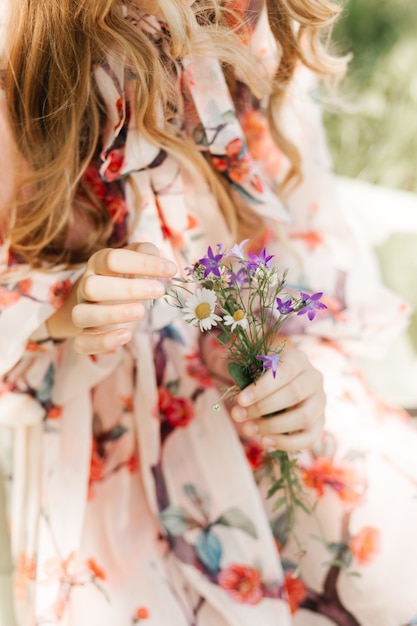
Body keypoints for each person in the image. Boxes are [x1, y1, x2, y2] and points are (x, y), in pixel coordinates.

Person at [0, 0, 416, 624]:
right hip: (99, 419)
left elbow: (296, 242)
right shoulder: (25, 33)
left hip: (251, 368)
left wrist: (293, 376)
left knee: (385, 575)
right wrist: (70, 305)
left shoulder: (257, 14)